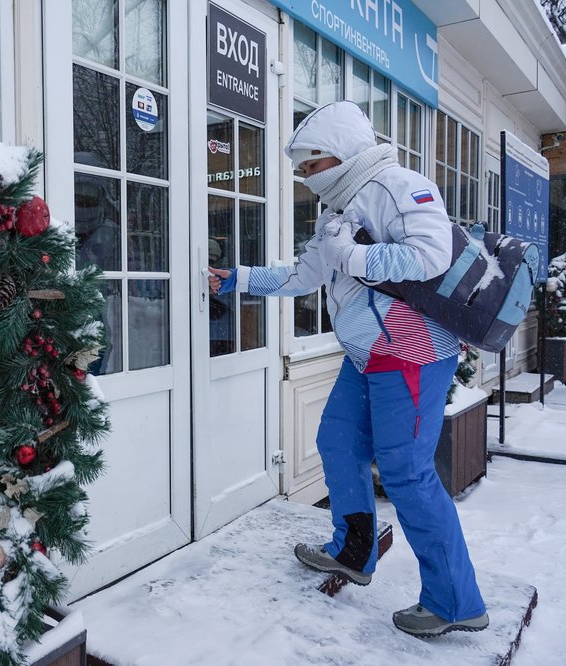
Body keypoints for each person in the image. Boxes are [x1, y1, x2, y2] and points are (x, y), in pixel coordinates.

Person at [208, 100, 488, 638]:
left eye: (311, 166)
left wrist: (352, 258)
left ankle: (456, 601)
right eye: (302, 170)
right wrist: (238, 279)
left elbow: (430, 256)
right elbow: (304, 275)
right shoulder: (336, 209)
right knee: (337, 441)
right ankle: (353, 550)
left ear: (339, 156)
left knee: (407, 473)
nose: (306, 178)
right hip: (366, 353)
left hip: (411, 352)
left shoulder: (398, 185)